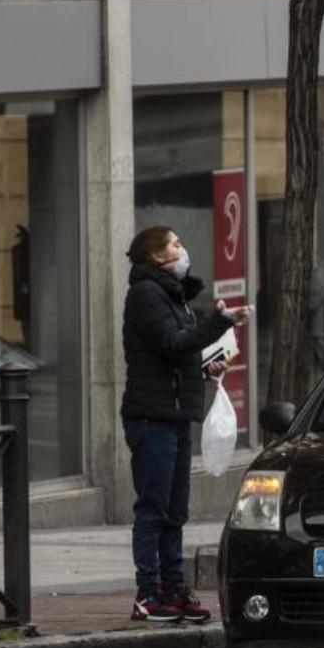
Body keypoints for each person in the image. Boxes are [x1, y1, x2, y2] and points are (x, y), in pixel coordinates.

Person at [121, 225, 252, 622]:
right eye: (177, 244)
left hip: (173, 413)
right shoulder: (146, 294)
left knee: (175, 510)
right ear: (158, 256)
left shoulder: (170, 296)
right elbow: (170, 343)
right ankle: (149, 595)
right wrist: (218, 324)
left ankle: (174, 590)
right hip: (152, 417)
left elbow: (177, 355)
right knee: (154, 507)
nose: (183, 250)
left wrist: (206, 366)